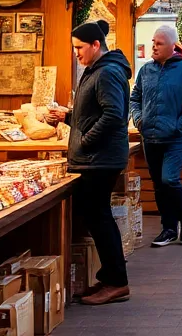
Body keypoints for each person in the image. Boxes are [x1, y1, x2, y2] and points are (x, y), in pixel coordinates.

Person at [47, 20, 132, 305]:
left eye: (79, 47)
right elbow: (93, 114)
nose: (76, 53)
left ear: (96, 45)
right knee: (96, 217)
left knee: (99, 217)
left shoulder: (107, 72)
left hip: (99, 159)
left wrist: (85, 141)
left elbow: (113, 115)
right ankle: (110, 277)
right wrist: (68, 117)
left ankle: (117, 282)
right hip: (96, 158)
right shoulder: (97, 70)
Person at [131, 25, 182, 247]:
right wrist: (138, 119)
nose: (154, 46)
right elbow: (135, 98)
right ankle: (169, 228)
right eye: (153, 42)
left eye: (159, 43)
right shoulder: (146, 70)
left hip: (174, 137)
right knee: (158, 184)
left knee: (169, 179)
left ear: (172, 46)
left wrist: (180, 124)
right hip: (149, 136)